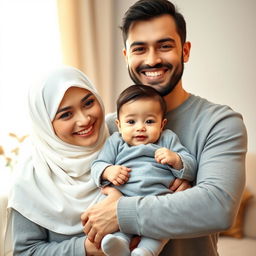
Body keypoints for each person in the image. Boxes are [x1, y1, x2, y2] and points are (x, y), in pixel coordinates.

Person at [81, 0, 248, 255]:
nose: (152, 59)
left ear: (185, 51)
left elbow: (217, 206)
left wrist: (120, 210)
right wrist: (184, 199)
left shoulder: (220, 122)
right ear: (126, 56)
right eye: (139, 49)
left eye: (165, 46)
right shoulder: (109, 128)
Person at [7, 66, 111, 255]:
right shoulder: (30, 178)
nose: (84, 119)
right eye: (65, 114)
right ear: (46, 124)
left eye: (88, 103)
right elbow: (25, 252)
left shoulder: (124, 133)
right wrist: (86, 249)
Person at [91, 84, 197, 256]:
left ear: (162, 124)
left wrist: (176, 160)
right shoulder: (116, 142)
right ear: (118, 125)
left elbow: (191, 166)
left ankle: (146, 251)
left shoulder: (167, 139)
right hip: (124, 200)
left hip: (158, 203)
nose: (140, 127)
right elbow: (97, 165)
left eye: (149, 121)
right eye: (131, 122)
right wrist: (108, 170)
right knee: (119, 228)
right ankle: (119, 243)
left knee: (161, 230)